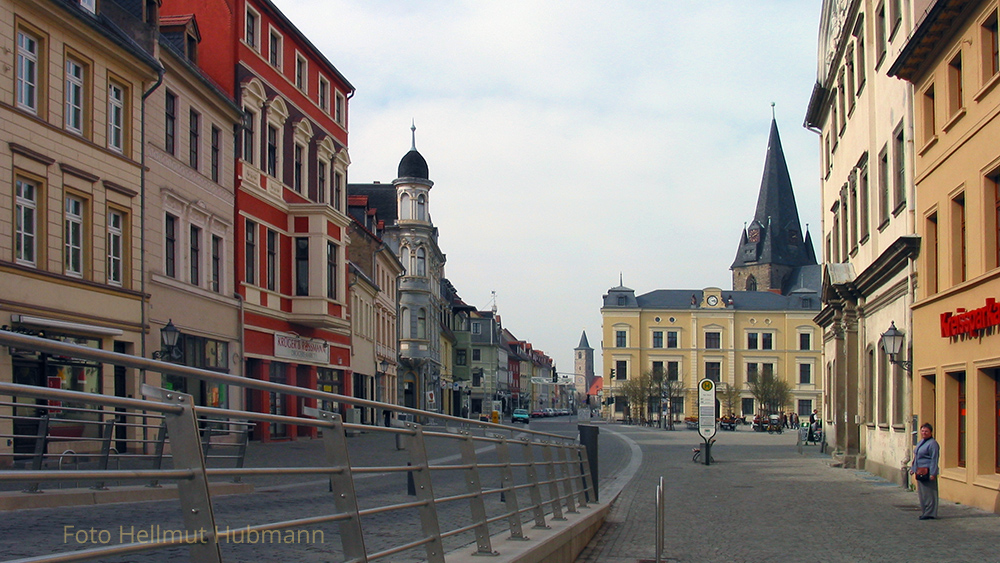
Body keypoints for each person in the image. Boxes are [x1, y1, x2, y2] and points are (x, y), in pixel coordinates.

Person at [909, 423, 940, 520]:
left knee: (930, 493)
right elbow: (916, 457)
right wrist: (913, 468)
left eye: (926, 431)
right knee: (922, 493)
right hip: (920, 471)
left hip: (928, 471)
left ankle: (930, 513)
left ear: (931, 432)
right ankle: (925, 511)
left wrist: (933, 473)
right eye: (922, 431)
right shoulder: (921, 442)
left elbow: (934, 459)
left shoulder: (933, 444)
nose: (924, 433)